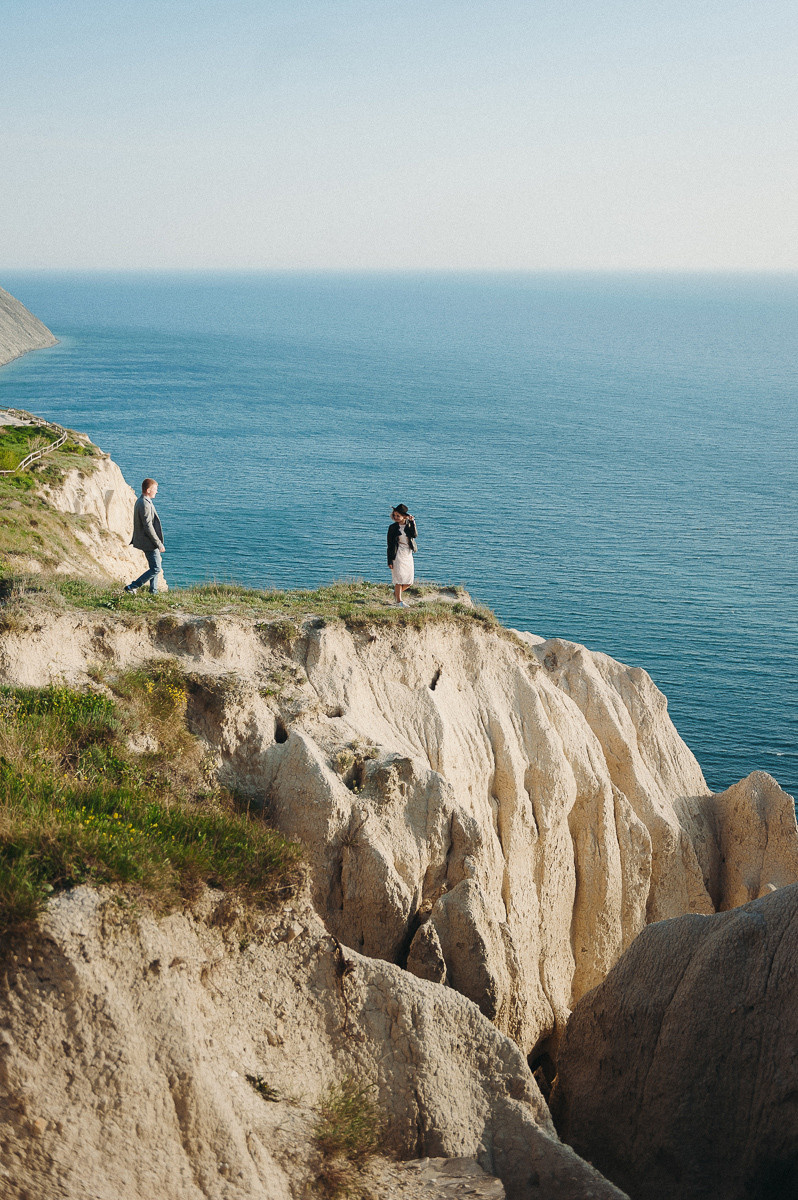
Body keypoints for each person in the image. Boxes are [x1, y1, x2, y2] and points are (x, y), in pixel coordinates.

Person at [125, 478, 166, 595]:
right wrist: (158, 543)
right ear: (148, 490)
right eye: (155, 489)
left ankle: (153, 591)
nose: (156, 491)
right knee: (156, 568)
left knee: (154, 566)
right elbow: (148, 526)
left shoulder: (142, 501)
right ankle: (132, 586)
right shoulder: (144, 504)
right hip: (148, 542)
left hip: (147, 541)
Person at [387, 504, 418, 606]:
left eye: (398, 515)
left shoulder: (409, 525)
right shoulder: (392, 527)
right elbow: (390, 545)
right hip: (397, 554)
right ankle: (399, 601)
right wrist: (390, 560)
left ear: (404, 516)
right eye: (394, 515)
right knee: (399, 578)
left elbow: (414, 535)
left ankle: (396, 594)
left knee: (409, 581)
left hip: (408, 554)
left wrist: (412, 522)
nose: (395, 517)